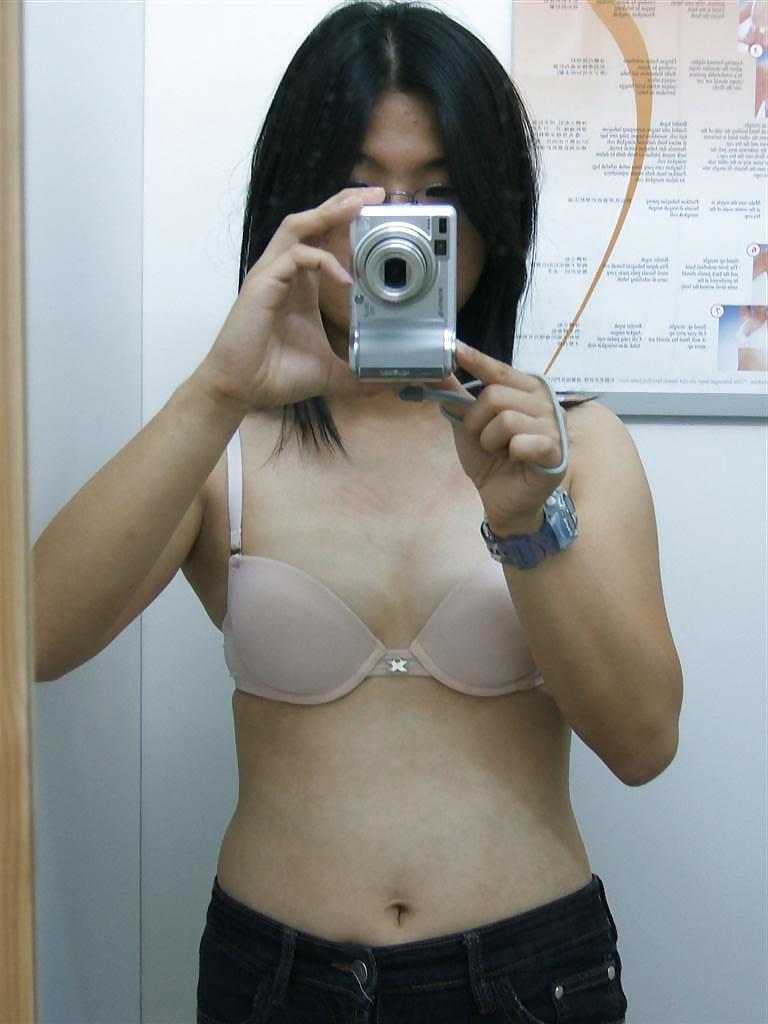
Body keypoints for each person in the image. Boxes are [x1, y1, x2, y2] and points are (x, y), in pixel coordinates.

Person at [33, 2, 683, 1021]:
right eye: (361, 190)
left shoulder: (573, 448)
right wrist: (218, 389)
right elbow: (31, 637)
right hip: (276, 980)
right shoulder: (226, 444)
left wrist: (527, 525)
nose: (398, 227)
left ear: (495, 215)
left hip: (529, 975)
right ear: (295, 204)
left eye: (439, 195)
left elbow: (644, 744)